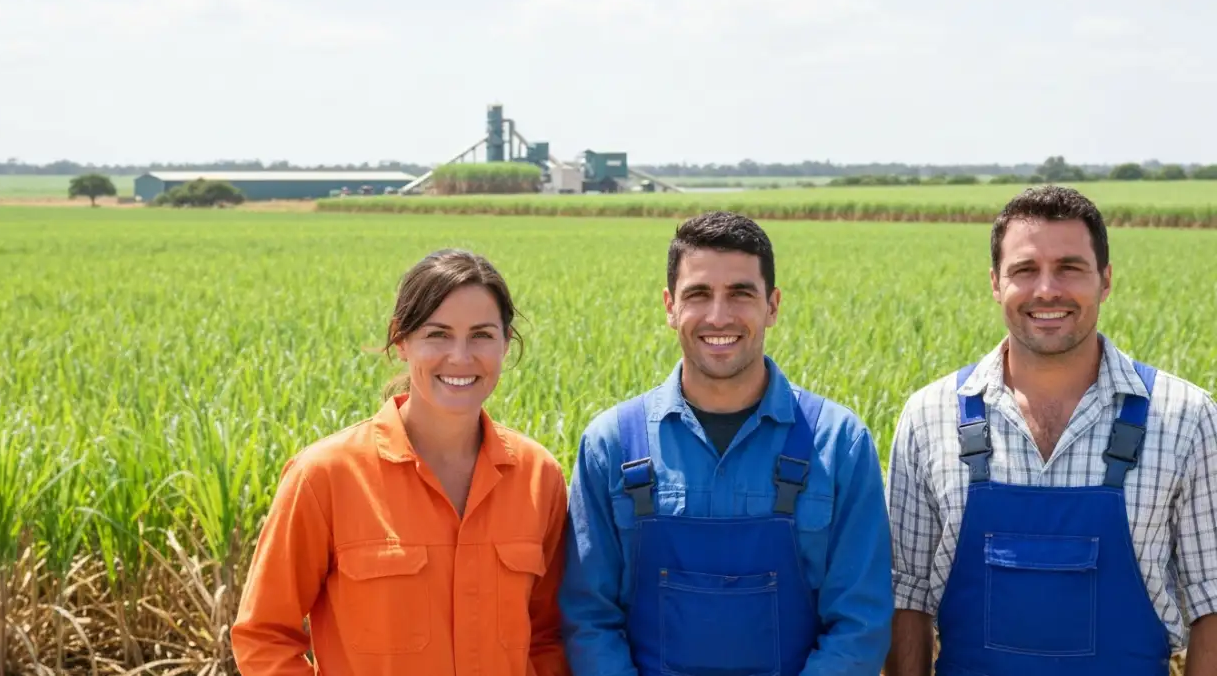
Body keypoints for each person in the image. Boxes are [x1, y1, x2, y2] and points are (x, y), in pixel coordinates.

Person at [884, 186, 1217, 676]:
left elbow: (1211, 605)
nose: (1046, 290)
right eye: (1024, 270)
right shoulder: (930, 416)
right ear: (995, 282)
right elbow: (906, 598)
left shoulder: (1185, 417)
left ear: (1105, 281)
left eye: (1069, 267)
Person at [558, 211, 894, 676]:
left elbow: (860, 622)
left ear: (772, 305)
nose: (719, 316)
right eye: (698, 294)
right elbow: (589, 619)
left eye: (740, 293)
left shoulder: (839, 444)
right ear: (669, 306)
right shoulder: (612, 445)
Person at [231, 249, 571, 676]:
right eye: (438, 334)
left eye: (482, 335)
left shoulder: (539, 477)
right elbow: (264, 636)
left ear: (506, 342)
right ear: (401, 340)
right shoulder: (324, 477)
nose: (461, 357)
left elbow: (547, 637)